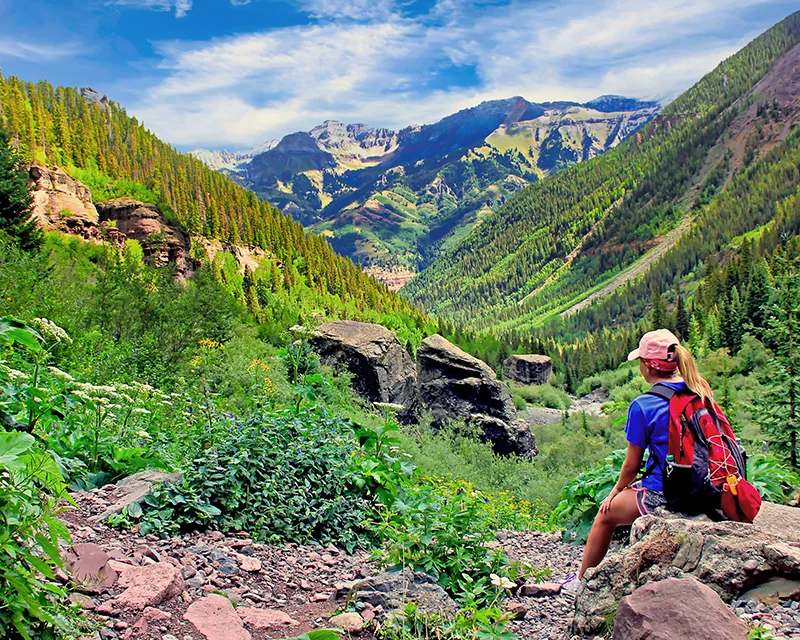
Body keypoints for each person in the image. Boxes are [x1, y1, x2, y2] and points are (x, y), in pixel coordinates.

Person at [562, 329, 714, 592]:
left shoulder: (644, 404)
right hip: (707, 487)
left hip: (666, 491)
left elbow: (631, 465)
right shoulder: (700, 391)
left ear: (647, 366)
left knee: (605, 516)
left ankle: (581, 582)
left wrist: (616, 491)